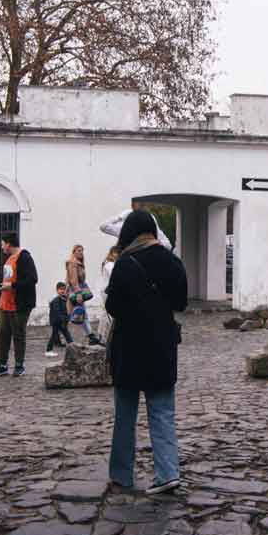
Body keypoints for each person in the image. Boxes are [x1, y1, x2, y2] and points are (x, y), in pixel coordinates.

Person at [105, 210, 188, 495]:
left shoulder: (125, 263)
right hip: (161, 345)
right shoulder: (172, 261)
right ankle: (168, 472)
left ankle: (122, 475)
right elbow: (181, 302)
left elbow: (112, 306)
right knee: (163, 411)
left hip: (128, 346)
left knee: (125, 416)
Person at [0, 233, 38, 377]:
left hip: (19, 304)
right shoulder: (8, 258)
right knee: (2, 333)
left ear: (8, 244)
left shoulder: (25, 257)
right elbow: (5, 278)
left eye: (2, 243)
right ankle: (3, 364)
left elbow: (32, 279)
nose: (1, 246)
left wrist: (12, 286)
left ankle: (19, 365)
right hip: (4, 303)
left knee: (18, 334)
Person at [65, 244, 99, 345]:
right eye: (78, 250)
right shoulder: (73, 263)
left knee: (81, 314)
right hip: (77, 291)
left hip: (77, 290)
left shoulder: (78, 263)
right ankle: (91, 336)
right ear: (74, 252)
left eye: (82, 250)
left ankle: (91, 336)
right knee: (79, 314)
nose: (81, 252)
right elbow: (73, 279)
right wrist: (78, 293)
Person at [100, 204, 172, 250]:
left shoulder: (150, 229)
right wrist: (120, 217)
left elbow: (168, 245)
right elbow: (103, 226)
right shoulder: (126, 230)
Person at [95, 245, 119, 345]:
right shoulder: (109, 264)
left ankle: (101, 336)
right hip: (107, 291)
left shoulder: (110, 263)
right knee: (108, 315)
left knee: (106, 314)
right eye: (116, 253)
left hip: (107, 290)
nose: (117, 255)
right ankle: (104, 337)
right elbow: (114, 274)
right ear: (112, 253)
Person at [45, 282, 74, 356]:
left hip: (62, 321)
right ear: (57, 290)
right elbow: (57, 312)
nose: (63, 291)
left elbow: (67, 310)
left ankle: (72, 347)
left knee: (66, 334)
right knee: (54, 335)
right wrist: (63, 319)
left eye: (64, 289)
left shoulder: (64, 299)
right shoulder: (56, 300)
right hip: (56, 321)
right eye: (61, 289)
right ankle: (48, 350)